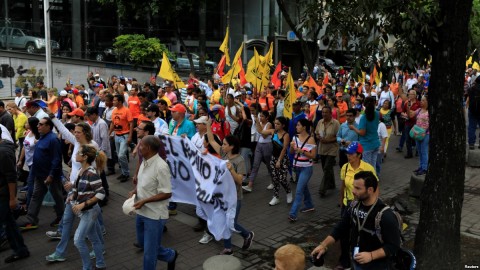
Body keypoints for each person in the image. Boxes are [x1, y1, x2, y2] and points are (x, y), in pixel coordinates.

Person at [311, 171, 400, 270]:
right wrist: (323, 245)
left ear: (370, 190)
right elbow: (341, 227)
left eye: (357, 188)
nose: (353, 191)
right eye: (353, 186)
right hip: (356, 260)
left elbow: (393, 246)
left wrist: (371, 255)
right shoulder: (353, 206)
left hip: (377, 265)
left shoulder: (386, 215)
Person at [127, 135, 178, 270]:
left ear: (148, 148)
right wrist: (135, 191)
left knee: (149, 254)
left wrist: (145, 201)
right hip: (141, 211)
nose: (138, 147)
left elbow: (167, 192)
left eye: (141, 145)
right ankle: (170, 255)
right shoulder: (145, 160)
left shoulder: (161, 167)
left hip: (154, 216)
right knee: (145, 245)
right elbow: (144, 183)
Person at [205, 124, 255, 255]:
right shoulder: (223, 154)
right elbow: (211, 140)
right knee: (224, 222)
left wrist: (231, 170)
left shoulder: (240, 160)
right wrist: (207, 125)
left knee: (231, 223)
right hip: (222, 196)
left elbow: (240, 180)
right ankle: (228, 248)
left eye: (225, 144)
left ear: (232, 146)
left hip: (235, 198)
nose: (222, 146)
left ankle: (247, 234)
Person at [16, 117, 64, 230]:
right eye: (38, 124)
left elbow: (56, 159)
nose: (38, 126)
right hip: (39, 174)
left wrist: (51, 175)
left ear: (48, 126)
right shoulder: (42, 137)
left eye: (41, 124)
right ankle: (31, 219)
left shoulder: (53, 139)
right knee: (36, 196)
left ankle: (62, 218)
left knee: (57, 196)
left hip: (50, 176)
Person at [70, 144, 107, 270]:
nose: (75, 154)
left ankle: (87, 267)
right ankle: (101, 264)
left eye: (78, 153)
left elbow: (101, 193)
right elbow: (80, 189)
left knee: (78, 240)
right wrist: (72, 196)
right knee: (94, 238)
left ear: (85, 157)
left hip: (90, 211)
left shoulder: (91, 173)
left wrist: (83, 204)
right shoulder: (81, 170)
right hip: (86, 211)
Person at [0, 127, 30, 263]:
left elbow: (11, 178)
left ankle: (20, 250)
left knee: (9, 223)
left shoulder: (3, 153)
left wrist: (13, 198)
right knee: (9, 222)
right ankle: (20, 249)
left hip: (4, 195)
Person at [257, 116, 292, 205]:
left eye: (278, 124)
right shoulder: (273, 131)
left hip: (282, 159)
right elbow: (261, 131)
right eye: (275, 123)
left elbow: (284, 149)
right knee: (275, 179)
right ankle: (276, 197)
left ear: (283, 125)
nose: (275, 125)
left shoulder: (286, 135)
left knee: (282, 178)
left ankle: (289, 192)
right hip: (273, 158)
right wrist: (257, 121)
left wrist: (279, 160)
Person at [288, 119, 317, 222]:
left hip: (307, 168)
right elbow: (292, 152)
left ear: (304, 127)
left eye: (298, 125)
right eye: (296, 125)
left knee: (299, 190)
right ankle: (309, 205)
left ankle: (293, 213)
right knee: (303, 187)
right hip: (297, 167)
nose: (296, 127)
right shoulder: (295, 137)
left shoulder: (311, 139)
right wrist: (292, 147)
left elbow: (313, 156)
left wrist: (302, 151)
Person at [243, 111, 273, 192]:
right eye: (260, 116)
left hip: (267, 146)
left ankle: (273, 181)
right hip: (259, 145)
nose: (260, 118)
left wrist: (258, 124)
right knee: (255, 165)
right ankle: (250, 185)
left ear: (267, 117)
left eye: (262, 116)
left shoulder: (269, 124)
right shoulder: (258, 123)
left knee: (269, 165)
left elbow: (264, 135)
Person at [316, 106, 340, 197]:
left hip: (332, 149)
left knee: (327, 168)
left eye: (326, 112)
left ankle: (322, 189)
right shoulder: (320, 122)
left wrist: (329, 140)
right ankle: (332, 184)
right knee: (326, 168)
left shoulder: (336, 123)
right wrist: (319, 138)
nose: (324, 114)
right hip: (322, 148)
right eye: (323, 112)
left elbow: (338, 136)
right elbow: (317, 133)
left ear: (330, 113)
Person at [349, 97, 380, 168]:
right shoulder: (377, 114)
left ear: (364, 104)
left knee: (367, 167)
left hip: (367, 145)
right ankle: (374, 178)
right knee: (373, 165)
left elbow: (362, 133)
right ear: (375, 103)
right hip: (375, 142)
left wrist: (353, 128)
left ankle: (370, 178)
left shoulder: (364, 118)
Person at [109, 94, 133, 182]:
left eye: (115, 100)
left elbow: (131, 123)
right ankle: (124, 173)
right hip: (116, 135)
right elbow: (112, 123)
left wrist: (130, 136)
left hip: (124, 136)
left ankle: (126, 173)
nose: (113, 102)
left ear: (119, 101)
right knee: (120, 157)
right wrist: (109, 133)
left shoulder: (126, 110)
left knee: (121, 155)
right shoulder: (114, 110)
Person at [16, 117, 40, 208]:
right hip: (29, 163)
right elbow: (24, 147)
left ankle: (29, 204)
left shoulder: (38, 137)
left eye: (27, 123)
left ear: (31, 125)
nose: (25, 124)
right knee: (32, 183)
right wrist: (20, 160)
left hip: (35, 163)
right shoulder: (29, 133)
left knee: (30, 183)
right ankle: (29, 200)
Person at [396, 90, 420, 158]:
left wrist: (413, 114)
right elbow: (402, 112)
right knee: (407, 139)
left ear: (415, 95)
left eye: (412, 94)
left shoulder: (418, 103)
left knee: (416, 138)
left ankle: (418, 152)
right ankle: (409, 153)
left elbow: (419, 113)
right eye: (409, 94)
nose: (410, 95)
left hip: (415, 123)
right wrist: (405, 115)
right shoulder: (407, 103)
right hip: (407, 123)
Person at [412, 96, 429, 175]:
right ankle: (421, 166)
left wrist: (425, 131)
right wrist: (408, 108)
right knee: (419, 151)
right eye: (421, 100)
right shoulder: (419, 110)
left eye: (423, 100)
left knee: (424, 151)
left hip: (425, 134)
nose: (421, 102)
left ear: (427, 102)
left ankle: (425, 168)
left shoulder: (429, 112)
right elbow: (411, 115)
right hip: (417, 134)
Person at [467, 76, 480, 149]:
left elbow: (468, 96)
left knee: (471, 127)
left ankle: (471, 143)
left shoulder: (471, 89)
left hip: (472, 110)